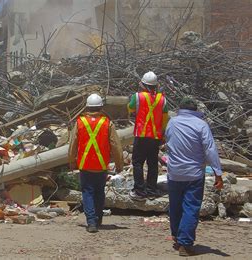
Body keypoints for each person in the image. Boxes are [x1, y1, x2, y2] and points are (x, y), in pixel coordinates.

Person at [165, 97, 223, 256]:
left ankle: (177, 237)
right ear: (195, 110)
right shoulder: (201, 125)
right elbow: (210, 150)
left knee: (175, 206)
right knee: (190, 207)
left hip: (174, 172)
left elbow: (168, 142)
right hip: (194, 174)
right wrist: (218, 173)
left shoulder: (172, 123)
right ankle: (185, 243)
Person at [68, 93, 123, 233]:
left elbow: (73, 144)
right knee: (99, 192)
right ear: (101, 107)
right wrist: (119, 164)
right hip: (101, 165)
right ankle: (98, 219)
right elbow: (116, 145)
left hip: (85, 165)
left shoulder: (80, 122)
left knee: (88, 192)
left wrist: (71, 161)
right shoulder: (107, 123)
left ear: (87, 107)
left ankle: (91, 222)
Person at [128, 71, 168, 200]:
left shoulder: (137, 97)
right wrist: (162, 134)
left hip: (141, 135)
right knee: (152, 163)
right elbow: (165, 119)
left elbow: (130, 109)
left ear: (143, 84)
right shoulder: (162, 99)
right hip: (155, 136)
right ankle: (151, 189)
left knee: (138, 162)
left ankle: (139, 191)